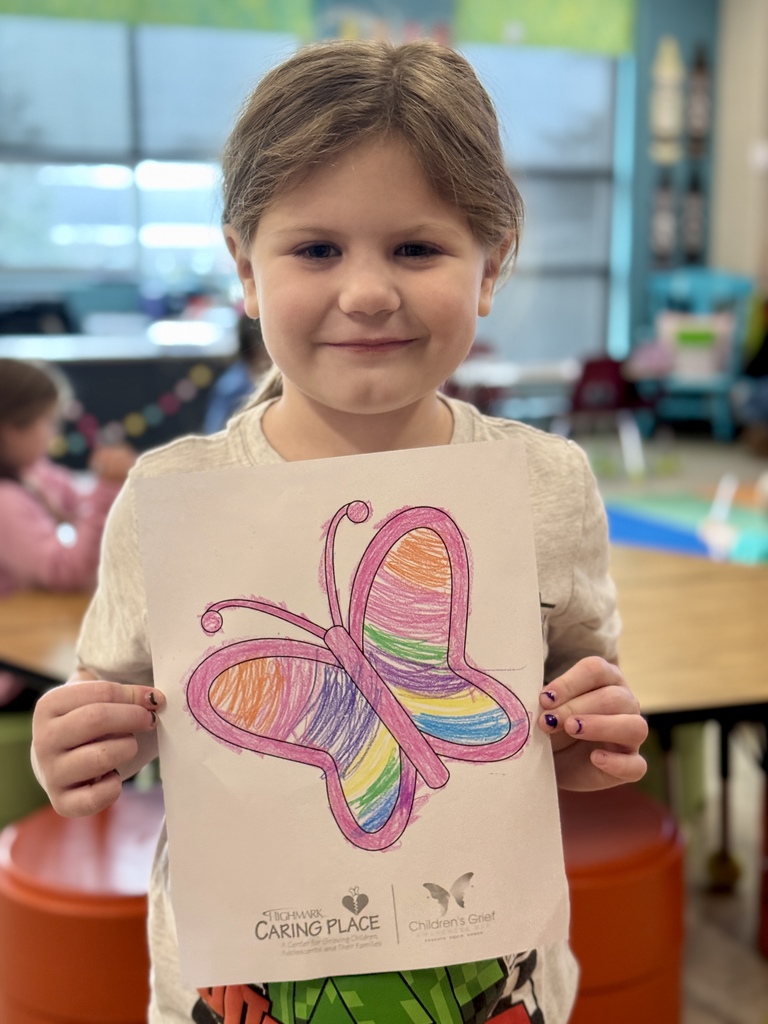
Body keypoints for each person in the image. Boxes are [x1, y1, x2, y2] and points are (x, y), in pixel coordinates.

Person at [31, 40, 648, 1024]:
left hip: (489, 983)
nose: (366, 291)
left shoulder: (543, 483)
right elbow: (110, 712)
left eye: (416, 248)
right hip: (244, 983)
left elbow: (570, 702)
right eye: (316, 249)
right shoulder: (171, 493)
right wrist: (76, 748)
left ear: (491, 266)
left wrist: (587, 734)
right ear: (244, 268)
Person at [0, 358, 135, 705]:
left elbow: (76, 500)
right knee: (106, 686)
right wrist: (107, 490)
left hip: (31, 632)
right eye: (48, 422)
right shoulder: (5, 501)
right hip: (16, 671)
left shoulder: (32, 472)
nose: (53, 434)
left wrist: (105, 486)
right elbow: (66, 572)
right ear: (10, 430)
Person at [202, 313, 272, 434]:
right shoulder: (230, 387)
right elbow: (213, 433)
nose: (268, 362)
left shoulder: (288, 379)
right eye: (263, 357)